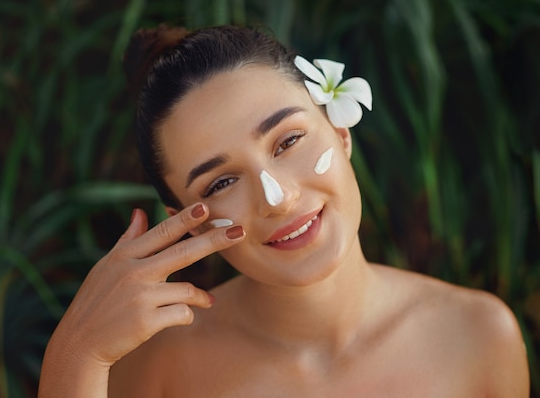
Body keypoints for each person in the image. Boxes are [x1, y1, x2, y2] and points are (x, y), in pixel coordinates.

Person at [38, 25, 529, 397]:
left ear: (339, 130)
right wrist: (73, 357)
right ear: (183, 217)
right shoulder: (156, 371)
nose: (279, 198)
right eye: (222, 182)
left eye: (288, 140)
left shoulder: (478, 336)